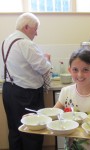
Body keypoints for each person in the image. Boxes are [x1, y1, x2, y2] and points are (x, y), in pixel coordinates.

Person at [0, 13, 52, 150]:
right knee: (32, 131)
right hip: (26, 94)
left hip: (9, 90)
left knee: (15, 130)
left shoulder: (6, 41)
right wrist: (46, 58)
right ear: (27, 27)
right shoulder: (26, 43)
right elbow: (43, 67)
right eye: (36, 29)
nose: (36, 33)